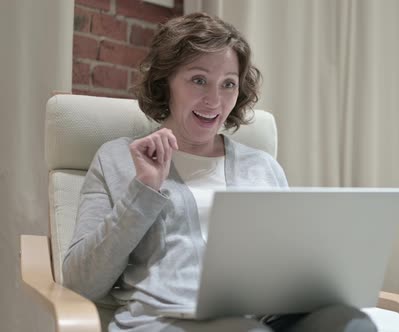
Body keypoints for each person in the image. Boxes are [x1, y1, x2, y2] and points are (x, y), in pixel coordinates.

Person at [62, 12, 377, 332]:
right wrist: (144, 190)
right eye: (198, 80)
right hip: (166, 321)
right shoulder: (117, 159)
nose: (214, 100)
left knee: (351, 324)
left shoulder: (263, 167)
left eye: (228, 84)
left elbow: (288, 261)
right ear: (165, 81)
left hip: (266, 316)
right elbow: (81, 282)